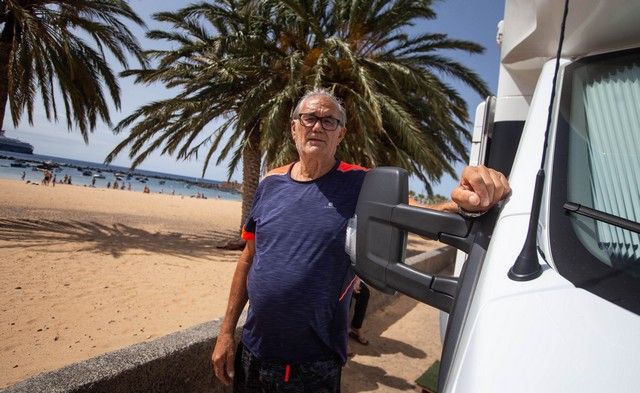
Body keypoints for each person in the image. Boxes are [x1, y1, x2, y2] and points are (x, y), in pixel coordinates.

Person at [211, 88, 511, 392]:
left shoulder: (362, 184)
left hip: (313, 365)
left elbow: (419, 215)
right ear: (293, 127)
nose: (317, 126)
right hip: (253, 354)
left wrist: (468, 201)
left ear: (341, 134)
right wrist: (225, 333)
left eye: (329, 121)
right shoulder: (270, 183)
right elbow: (248, 259)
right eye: (309, 118)